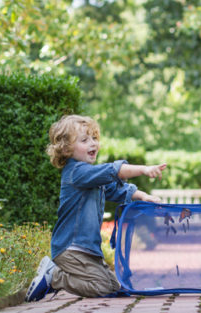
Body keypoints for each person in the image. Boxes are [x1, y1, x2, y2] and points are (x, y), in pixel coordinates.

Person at [25, 114, 166, 301]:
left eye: (94, 138)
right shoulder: (76, 172)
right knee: (102, 287)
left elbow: (117, 190)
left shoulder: (90, 175)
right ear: (67, 149)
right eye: (84, 140)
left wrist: (143, 196)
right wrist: (144, 169)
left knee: (114, 287)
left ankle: (57, 277)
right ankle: (55, 277)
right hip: (71, 249)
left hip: (87, 250)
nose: (93, 143)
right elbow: (113, 171)